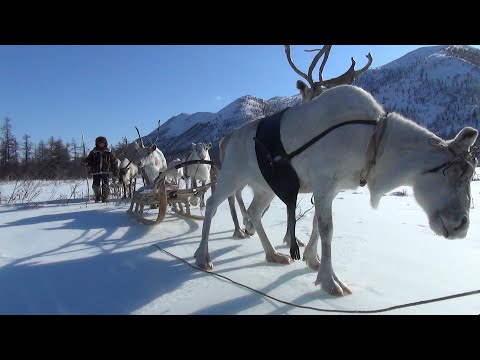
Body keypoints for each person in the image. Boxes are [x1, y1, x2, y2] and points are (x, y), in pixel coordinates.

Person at [82, 136, 119, 203]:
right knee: (96, 185)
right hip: (96, 171)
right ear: (97, 143)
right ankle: (98, 196)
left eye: (103, 143)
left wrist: (115, 169)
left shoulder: (109, 152)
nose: (101, 144)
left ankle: (105, 196)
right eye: (100, 143)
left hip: (106, 170)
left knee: (105, 184)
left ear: (105, 143)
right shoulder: (93, 152)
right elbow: (89, 160)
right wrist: (85, 161)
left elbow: (114, 161)